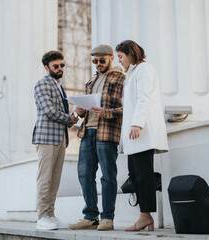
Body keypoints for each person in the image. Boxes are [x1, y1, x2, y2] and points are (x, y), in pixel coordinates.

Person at [69, 44, 125, 231]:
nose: (98, 64)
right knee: (85, 175)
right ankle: (90, 216)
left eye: (102, 60)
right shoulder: (91, 81)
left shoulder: (121, 79)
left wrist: (106, 112)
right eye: (95, 60)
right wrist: (81, 110)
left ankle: (107, 217)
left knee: (108, 176)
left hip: (106, 133)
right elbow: (88, 108)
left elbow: (127, 107)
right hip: (87, 132)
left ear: (111, 59)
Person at [115, 40, 168, 231]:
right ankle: (145, 217)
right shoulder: (132, 73)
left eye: (121, 57)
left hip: (142, 132)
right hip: (135, 136)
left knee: (143, 175)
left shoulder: (144, 69)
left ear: (130, 54)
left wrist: (137, 123)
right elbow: (131, 104)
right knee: (136, 175)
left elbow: (144, 98)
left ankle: (145, 216)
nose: (119, 61)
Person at [32, 50, 78, 230]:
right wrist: (69, 119)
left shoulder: (59, 85)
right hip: (46, 138)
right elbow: (49, 111)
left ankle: (50, 215)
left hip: (60, 138)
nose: (60, 69)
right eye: (55, 66)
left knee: (55, 179)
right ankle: (42, 216)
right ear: (46, 67)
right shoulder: (42, 84)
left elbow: (59, 111)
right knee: (45, 179)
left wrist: (73, 116)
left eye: (61, 65)